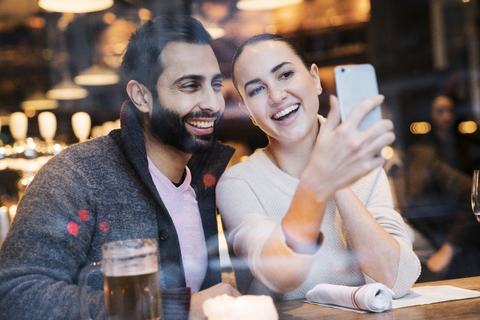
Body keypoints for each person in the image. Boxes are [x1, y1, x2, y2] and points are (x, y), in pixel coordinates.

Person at [0, 16, 240, 320]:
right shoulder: (77, 175)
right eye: (190, 86)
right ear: (141, 96)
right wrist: (171, 310)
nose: (213, 103)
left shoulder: (206, 182)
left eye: (215, 84)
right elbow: (15, 294)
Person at [216, 34, 421, 300]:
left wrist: (338, 178)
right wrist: (321, 178)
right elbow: (281, 276)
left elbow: (396, 280)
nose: (276, 95)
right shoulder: (238, 183)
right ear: (247, 110)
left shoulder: (364, 167)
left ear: (314, 78)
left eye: (286, 74)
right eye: (257, 90)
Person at [403, 94, 480, 280]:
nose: (445, 116)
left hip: (460, 233)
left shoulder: (466, 145)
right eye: (440, 111)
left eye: (449, 110)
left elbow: (471, 191)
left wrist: (450, 246)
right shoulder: (421, 151)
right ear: (430, 114)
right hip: (435, 239)